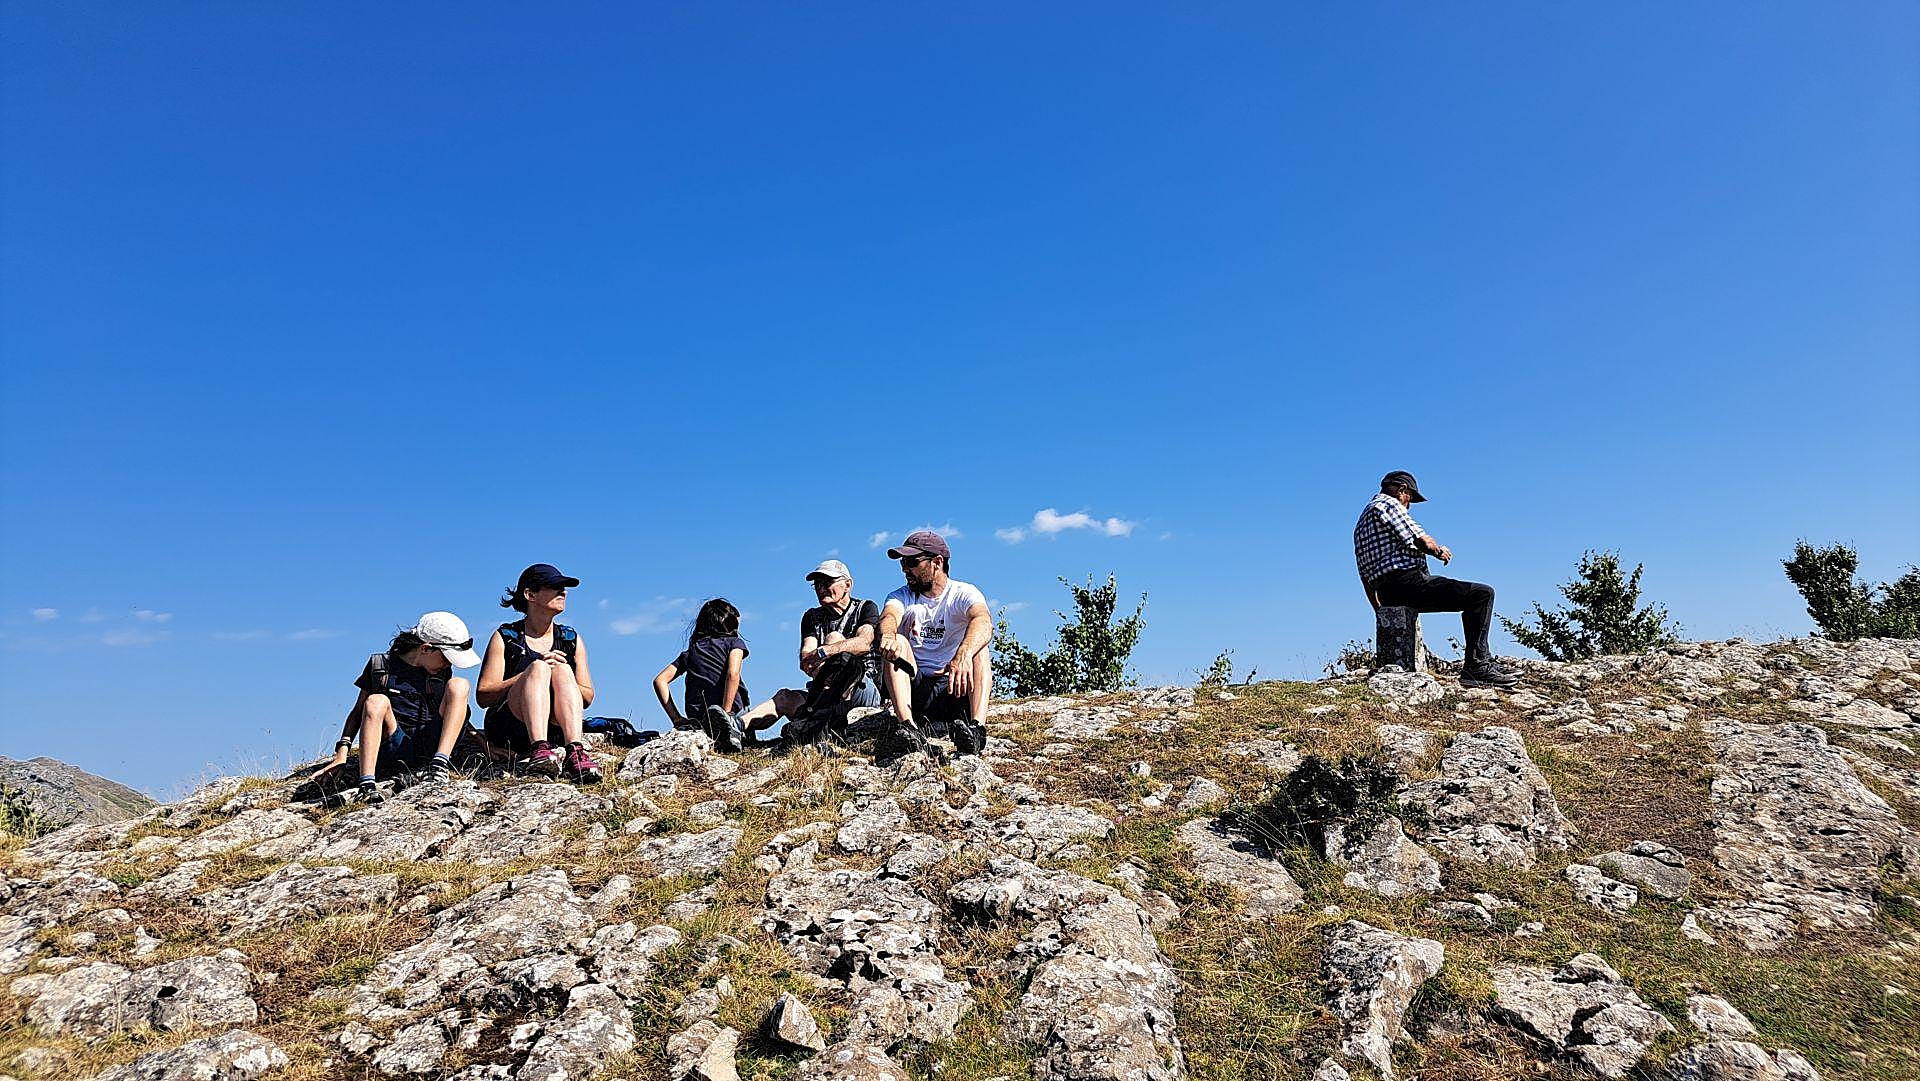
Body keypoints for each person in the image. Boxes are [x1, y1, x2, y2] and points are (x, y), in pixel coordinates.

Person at [1354, 470, 1518, 687]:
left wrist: (1379, 608)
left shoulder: (1361, 524)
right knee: (1481, 594)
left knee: (1474, 594)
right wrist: (1439, 551)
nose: (1409, 505)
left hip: (1387, 592)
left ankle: (1484, 661)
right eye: (1410, 497)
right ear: (1402, 490)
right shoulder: (1388, 505)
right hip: (1408, 583)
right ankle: (1477, 666)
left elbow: (1364, 574)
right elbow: (1420, 539)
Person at [328, 612, 483, 803]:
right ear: (426, 649)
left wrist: (483, 743)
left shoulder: (440, 671)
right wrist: (341, 754)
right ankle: (366, 784)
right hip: (395, 747)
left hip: (431, 744)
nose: (448, 664)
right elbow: (358, 712)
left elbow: (455, 712)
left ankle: (439, 766)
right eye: (447, 658)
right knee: (376, 701)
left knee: (459, 685)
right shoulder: (380, 666)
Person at [733, 559, 883, 747]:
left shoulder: (865, 608)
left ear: (847, 585)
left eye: (827, 583)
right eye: (817, 584)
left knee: (834, 638)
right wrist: (820, 659)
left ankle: (815, 722)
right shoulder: (812, 617)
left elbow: (864, 642)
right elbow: (806, 660)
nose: (821, 589)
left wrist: (824, 651)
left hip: (861, 691)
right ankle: (736, 725)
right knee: (784, 697)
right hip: (822, 696)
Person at [477, 563, 603, 782]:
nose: (563, 592)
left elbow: (588, 697)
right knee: (539, 668)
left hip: (556, 728)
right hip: (512, 729)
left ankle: (575, 751)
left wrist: (562, 676)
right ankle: (539, 748)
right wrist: (528, 673)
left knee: (562, 669)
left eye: (564, 587)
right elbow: (483, 696)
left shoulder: (570, 639)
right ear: (530, 594)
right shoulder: (506, 636)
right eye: (554, 586)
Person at [877, 530, 992, 757]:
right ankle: (909, 729)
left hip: (955, 686)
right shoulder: (901, 596)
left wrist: (963, 655)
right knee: (897, 642)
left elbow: (983, 621)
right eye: (902, 562)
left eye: (912, 562)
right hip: (918, 689)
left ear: (937, 562)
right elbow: (889, 616)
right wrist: (888, 636)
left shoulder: (963, 593)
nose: (905, 569)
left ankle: (977, 730)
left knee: (980, 649)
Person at [652, 598, 751, 752]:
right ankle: (736, 733)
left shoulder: (692, 651)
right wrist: (725, 715)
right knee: (747, 714)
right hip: (732, 712)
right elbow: (733, 674)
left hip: (698, 720)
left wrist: (676, 719)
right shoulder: (734, 643)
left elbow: (660, 680)